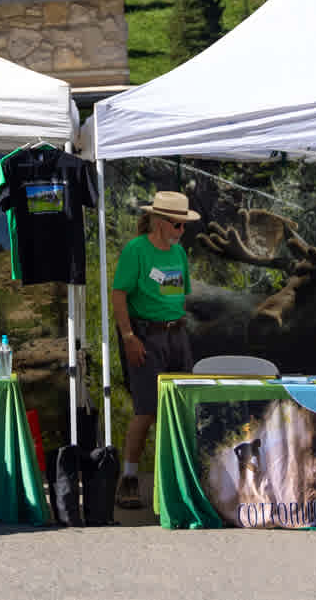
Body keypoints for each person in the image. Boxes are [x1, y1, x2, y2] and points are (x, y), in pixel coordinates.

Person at [109, 189, 199, 510]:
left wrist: (177, 329)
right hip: (144, 335)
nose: (182, 231)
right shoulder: (136, 250)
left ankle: (176, 477)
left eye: (184, 226)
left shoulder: (179, 254)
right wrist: (129, 336)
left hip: (176, 334)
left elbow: (178, 295)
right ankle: (129, 478)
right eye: (178, 225)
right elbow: (119, 294)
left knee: (180, 407)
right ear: (160, 223)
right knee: (146, 411)